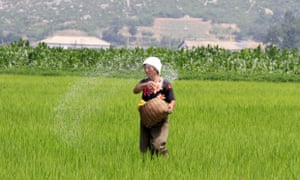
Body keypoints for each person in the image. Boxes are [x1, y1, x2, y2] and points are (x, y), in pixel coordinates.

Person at [133, 57, 176, 158]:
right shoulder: (145, 82)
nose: (146, 70)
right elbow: (135, 90)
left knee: (157, 144)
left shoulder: (165, 83)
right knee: (144, 147)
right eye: (145, 68)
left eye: (149, 68)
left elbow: (172, 99)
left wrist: (171, 106)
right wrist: (145, 85)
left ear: (156, 69)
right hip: (146, 116)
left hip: (160, 118)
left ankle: (165, 159)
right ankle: (150, 164)